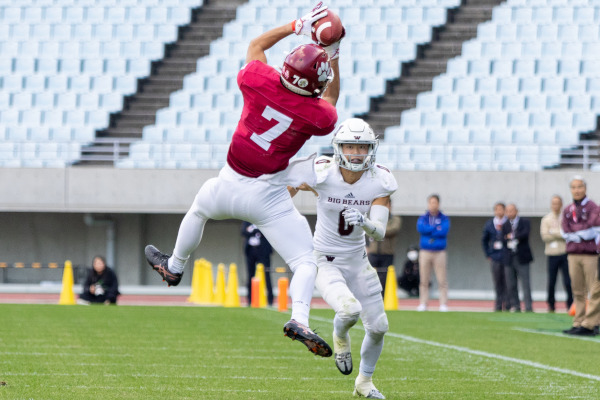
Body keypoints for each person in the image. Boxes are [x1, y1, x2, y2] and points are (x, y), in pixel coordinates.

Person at [144, 3, 343, 357]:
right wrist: (334, 55)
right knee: (305, 261)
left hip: (227, 183)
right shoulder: (315, 114)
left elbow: (256, 46)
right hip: (268, 195)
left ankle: (174, 267)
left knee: (198, 209)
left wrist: (296, 25)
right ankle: (299, 317)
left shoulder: (258, 80)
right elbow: (330, 100)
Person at [288, 118, 397, 399]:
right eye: (350, 146)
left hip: (358, 260)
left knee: (379, 326)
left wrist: (364, 222)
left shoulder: (379, 181)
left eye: (362, 147)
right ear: (339, 148)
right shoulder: (323, 174)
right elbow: (288, 185)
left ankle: (364, 382)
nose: (356, 153)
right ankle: (341, 338)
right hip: (325, 260)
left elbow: (381, 232)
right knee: (349, 311)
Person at [561, 176, 600, 336]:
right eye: (574, 187)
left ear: (585, 188)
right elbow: (564, 230)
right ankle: (579, 321)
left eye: (580, 187)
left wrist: (576, 232)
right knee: (577, 290)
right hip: (573, 253)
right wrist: (579, 233)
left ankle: (592, 322)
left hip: (589, 254)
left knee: (594, 289)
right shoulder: (567, 209)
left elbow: (592, 228)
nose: (577, 190)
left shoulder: (593, 207)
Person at [416, 194, 450, 312]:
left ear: (438, 204)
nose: (433, 205)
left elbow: (444, 230)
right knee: (424, 279)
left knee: (442, 279)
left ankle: (443, 304)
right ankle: (423, 303)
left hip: (439, 252)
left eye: (435, 202)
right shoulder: (423, 218)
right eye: (431, 202)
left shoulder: (444, 218)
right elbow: (421, 229)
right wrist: (435, 228)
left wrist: (430, 230)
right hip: (425, 251)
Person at [540, 195, 573, 313]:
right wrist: (560, 234)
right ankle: (551, 305)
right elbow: (545, 236)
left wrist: (553, 232)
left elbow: (568, 235)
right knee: (552, 281)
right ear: (551, 204)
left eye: (557, 203)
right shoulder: (546, 219)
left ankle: (570, 305)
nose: (555, 206)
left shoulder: (566, 218)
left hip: (565, 253)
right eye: (553, 203)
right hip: (552, 254)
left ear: (561, 204)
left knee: (568, 281)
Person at [502, 204, 534, 312]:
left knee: (525, 283)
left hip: (522, 257)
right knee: (511, 284)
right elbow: (502, 238)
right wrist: (509, 237)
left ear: (516, 211)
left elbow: (525, 234)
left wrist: (512, 236)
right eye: (508, 211)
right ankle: (515, 305)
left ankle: (528, 307)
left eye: (512, 211)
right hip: (509, 257)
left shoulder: (525, 222)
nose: (510, 213)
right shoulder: (505, 224)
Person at [366, 199, 402, 293]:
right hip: (373, 252)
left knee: (385, 279)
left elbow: (393, 230)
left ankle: (383, 300)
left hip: (387, 253)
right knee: (370, 277)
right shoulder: (373, 218)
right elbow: (367, 230)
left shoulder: (395, 219)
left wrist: (377, 229)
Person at [482, 202, 509, 312]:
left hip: (507, 256)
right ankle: (498, 305)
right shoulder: (489, 224)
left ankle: (508, 304)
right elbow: (484, 240)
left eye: (501, 209)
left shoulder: (508, 223)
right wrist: (488, 254)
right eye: (497, 209)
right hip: (495, 256)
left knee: (507, 281)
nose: (499, 212)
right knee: (497, 281)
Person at [241, 221, 273, 306]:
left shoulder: (263, 220)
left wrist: (253, 231)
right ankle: (250, 300)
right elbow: (244, 232)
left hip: (263, 251)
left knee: (267, 275)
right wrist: (255, 231)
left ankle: (270, 300)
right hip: (251, 250)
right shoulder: (247, 221)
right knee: (250, 275)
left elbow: (267, 232)